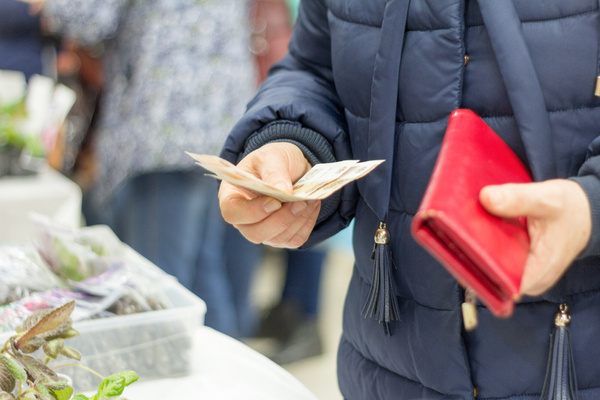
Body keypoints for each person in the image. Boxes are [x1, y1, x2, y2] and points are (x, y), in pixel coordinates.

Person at [218, 1, 600, 399]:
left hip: (573, 359)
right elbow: (315, 65)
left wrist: (590, 207)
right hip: (391, 365)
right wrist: (293, 141)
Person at [30, 0, 257, 337]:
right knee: (200, 272)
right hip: (214, 114)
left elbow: (87, 17)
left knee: (159, 289)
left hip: (163, 123)